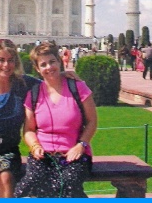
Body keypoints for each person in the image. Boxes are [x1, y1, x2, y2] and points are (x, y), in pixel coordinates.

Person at [0, 39, 80, 198]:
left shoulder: (23, 83)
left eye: (10, 60)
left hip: (8, 146)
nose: (6, 65)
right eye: (1, 60)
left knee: (6, 178)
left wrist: (60, 74)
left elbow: (46, 82)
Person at [14, 42, 97, 198]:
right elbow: (29, 130)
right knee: (31, 181)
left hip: (74, 153)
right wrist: (35, 146)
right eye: (43, 64)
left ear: (60, 61)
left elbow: (92, 121)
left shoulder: (77, 88)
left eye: (52, 62)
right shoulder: (34, 94)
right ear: (37, 69)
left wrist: (81, 145)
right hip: (44, 155)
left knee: (67, 183)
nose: (49, 67)